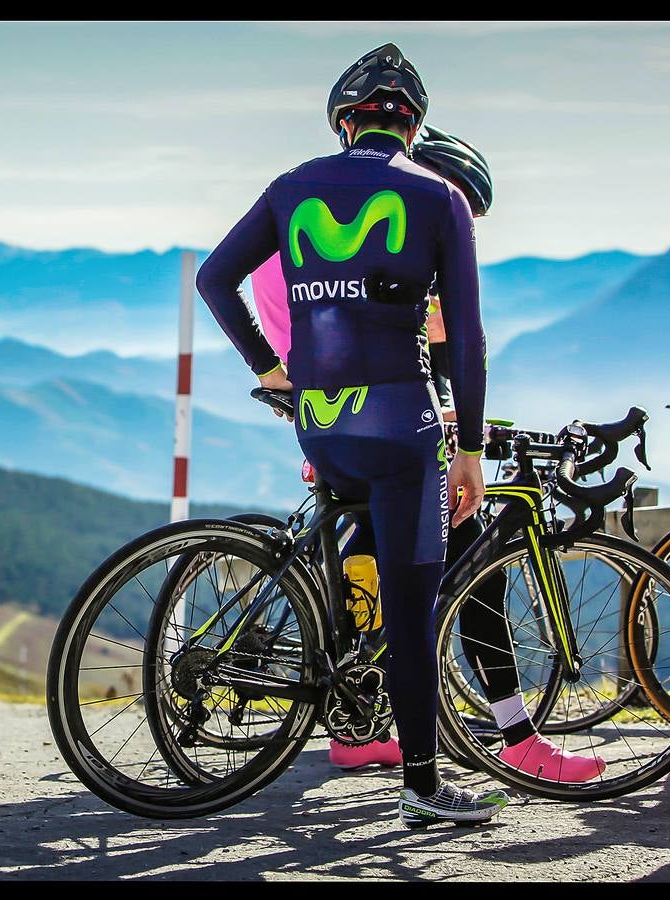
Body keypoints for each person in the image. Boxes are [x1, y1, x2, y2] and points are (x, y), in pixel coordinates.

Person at [197, 43, 502, 828]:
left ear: (343, 120)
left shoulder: (291, 188)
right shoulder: (440, 198)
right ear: (413, 124)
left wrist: (269, 367)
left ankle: (340, 698)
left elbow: (212, 279)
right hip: (405, 429)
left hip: (322, 426)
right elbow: (464, 340)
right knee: (411, 607)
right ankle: (424, 788)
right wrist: (468, 448)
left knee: (350, 560)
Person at [248, 126, 604, 786]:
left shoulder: (362, 243)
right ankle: (514, 738)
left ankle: (358, 727)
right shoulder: (375, 255)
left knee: (378, 548)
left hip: (336, 416)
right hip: (355, 415)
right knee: (468, 551)